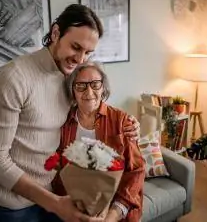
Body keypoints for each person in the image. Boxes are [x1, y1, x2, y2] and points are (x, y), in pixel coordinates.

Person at [0, 4, 140, 222]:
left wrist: (130, 124)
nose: (80, 59)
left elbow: (90, 108)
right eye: (76, 47)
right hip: (12, 207)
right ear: (55, 33)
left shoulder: (69, 77)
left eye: (87, 52)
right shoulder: (11, 79)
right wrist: (54, 203)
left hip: (51, 194)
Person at [52, 61, 145, 222]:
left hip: (116, 206)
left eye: (95, 84)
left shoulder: (121, 120)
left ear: (103, 88)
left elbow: (136, 171)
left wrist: (112, 215)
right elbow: (58, 168)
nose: (89, 92)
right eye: (81, 85)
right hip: (74, 207)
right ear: (73, 90)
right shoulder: (63, 122)